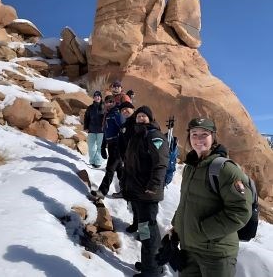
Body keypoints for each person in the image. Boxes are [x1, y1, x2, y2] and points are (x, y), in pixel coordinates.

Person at [171, 117, 253, 277]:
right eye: (194, 134)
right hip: (189, 250)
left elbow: (241, 211)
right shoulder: (189, 168)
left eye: (204, 134)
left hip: (217, 255)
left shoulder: (224, 168)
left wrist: (203, 231)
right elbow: (186, 203)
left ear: (213, 137)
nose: (198, 139)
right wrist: (176, 229)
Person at [122, 106, 169, 277]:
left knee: (148, 232)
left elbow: (161, 163)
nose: (141, 118)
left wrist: (153, 185)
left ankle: (152, 271)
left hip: (148, 193)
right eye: (139, 115)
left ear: (150, 118)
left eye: (144, 116)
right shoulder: (138, 135)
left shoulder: (154, 135)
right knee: (146, 231)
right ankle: (151, 264)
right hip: (138, 191)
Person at [91, 95, 124, 199]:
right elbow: (106, 131)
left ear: (114, 102)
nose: (109, 103)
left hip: (117, 145)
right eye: (107, 102)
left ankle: (102, 191)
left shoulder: (116, 114)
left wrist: (121, 144)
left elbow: (122, 129)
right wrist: (102, 146)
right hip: (111, 145)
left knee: (110, 169)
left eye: (111, 101)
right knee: (119, 169)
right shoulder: (108, 114)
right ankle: (126, 190)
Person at [84, 91, 104, 168]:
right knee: (91, 147)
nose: (97, 97)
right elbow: (86, 118)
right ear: (93, 98)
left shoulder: (104, 107)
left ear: (101, 97)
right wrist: (86, 127)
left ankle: (98, 162)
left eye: (99, 96)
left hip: (101, 131)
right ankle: (92, 161)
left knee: (100, 147)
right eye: (96, 96)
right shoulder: (90, 108)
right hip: (91, 130)